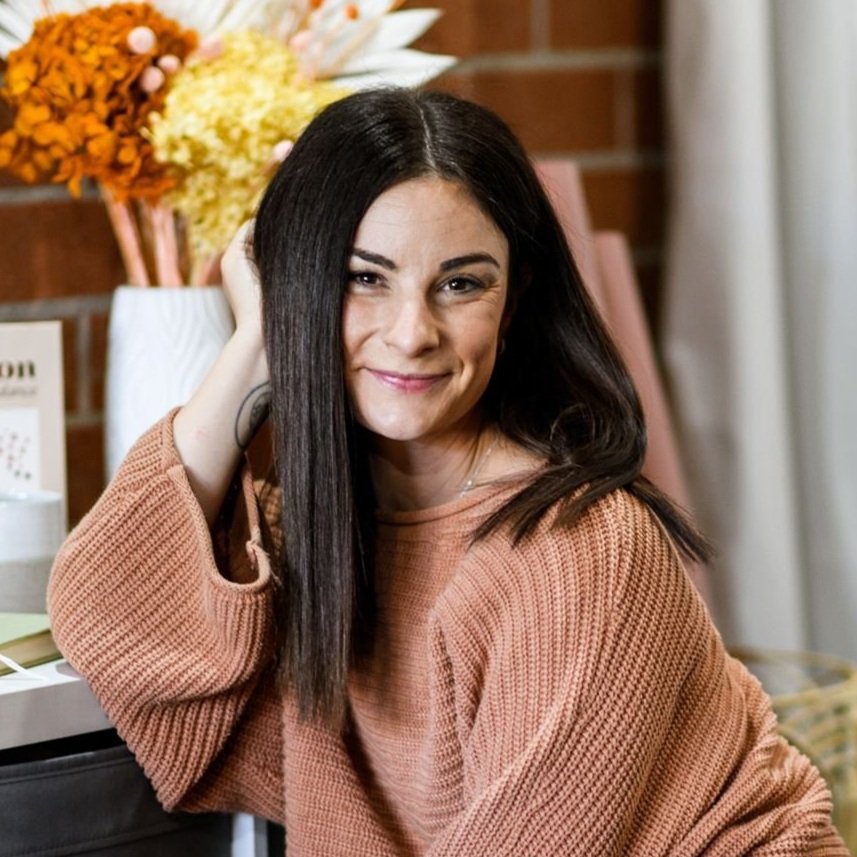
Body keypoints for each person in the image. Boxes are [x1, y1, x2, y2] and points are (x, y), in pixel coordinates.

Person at [48, 87, 847, 855]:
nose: (411, 332)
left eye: (459, 284)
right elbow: (107, 618)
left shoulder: (576, 551)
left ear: (513, 299)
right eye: (364, 278)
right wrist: (262, 332)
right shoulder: (326, 525)